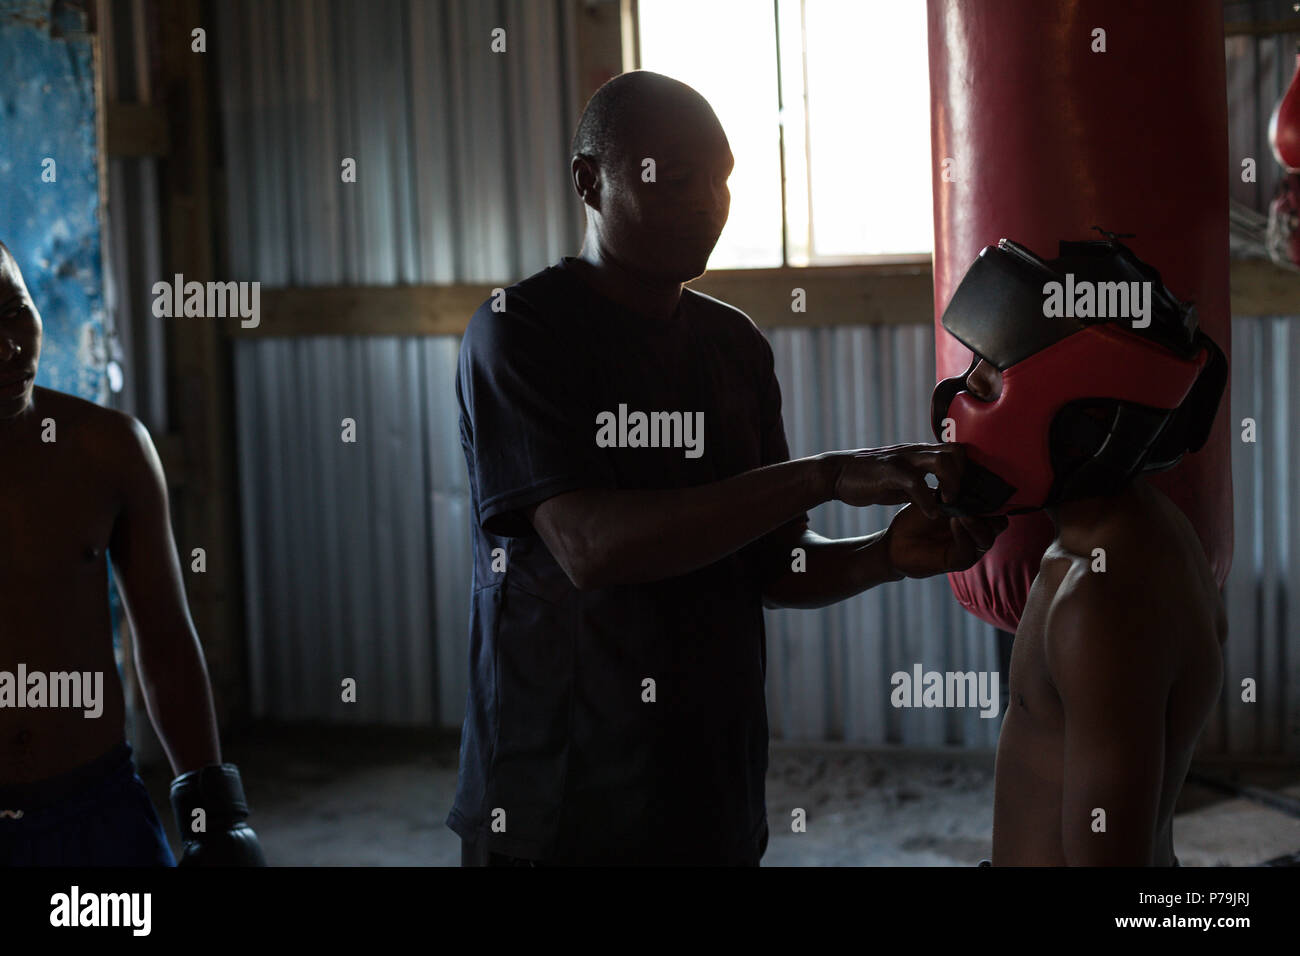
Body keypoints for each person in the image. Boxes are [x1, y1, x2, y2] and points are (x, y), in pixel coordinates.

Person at [450, 70, 1008, 865]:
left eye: (722, 180)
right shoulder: (522, 333)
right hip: (558, 802)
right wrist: (823, 474)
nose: (709, 201)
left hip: (710, 795)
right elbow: (591, 547)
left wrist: (884, 555)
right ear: (589, 181)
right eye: (675, 178)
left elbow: (775, 567)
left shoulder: (733, 346)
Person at [932, 236, 1229, 865]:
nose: (964, 393)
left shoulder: (1100, 601)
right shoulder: (1134, 535)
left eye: (989, 371)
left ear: (1078, 408)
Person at [0, 241, 264, 866]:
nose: (9, 348)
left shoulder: (108, 450)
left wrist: (214, 815)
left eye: (13, 309)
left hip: (99, 812)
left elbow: (167, 639)